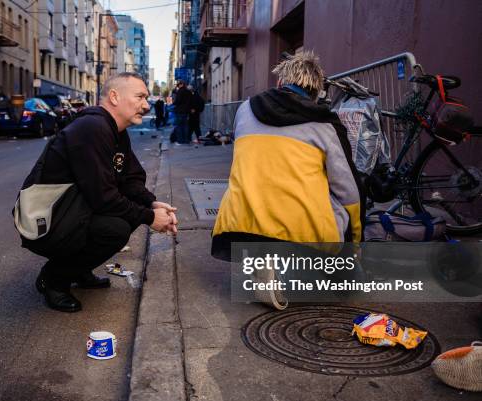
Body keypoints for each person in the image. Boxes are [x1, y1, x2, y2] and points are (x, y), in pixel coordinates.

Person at [31, 72, 178, 312]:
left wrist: (152, 204)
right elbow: (104, 197)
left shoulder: (115, 131)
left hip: (75, 209)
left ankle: (77, 269)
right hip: (47, 218)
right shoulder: (92, 128)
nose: (146, 104)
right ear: (114, 96)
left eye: (146, 98)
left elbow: (130, 178)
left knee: (126, 217)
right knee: (115, 229)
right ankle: (54, 279)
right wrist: (150, 219)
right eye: (140, 97)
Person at [211, 51, 365, 261]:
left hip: (236, 225)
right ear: (316, 90)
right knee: (342, 209)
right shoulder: (326, 124)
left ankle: (263, 264)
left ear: (280, 80)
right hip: (301, 234)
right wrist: (356, 240)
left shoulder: (245, 109)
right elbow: (348, 191)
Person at [172, 80, 192, 144]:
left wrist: (174, 102)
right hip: (186, 112)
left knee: (179, 126)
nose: (178, 86)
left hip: (179, 111)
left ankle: (180, 140)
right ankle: (186, 140)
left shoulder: (179, 91)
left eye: (178, 85)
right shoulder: (189, 92)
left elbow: (177, 101)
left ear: (181, 85)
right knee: (186, 126)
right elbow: (190, 102)